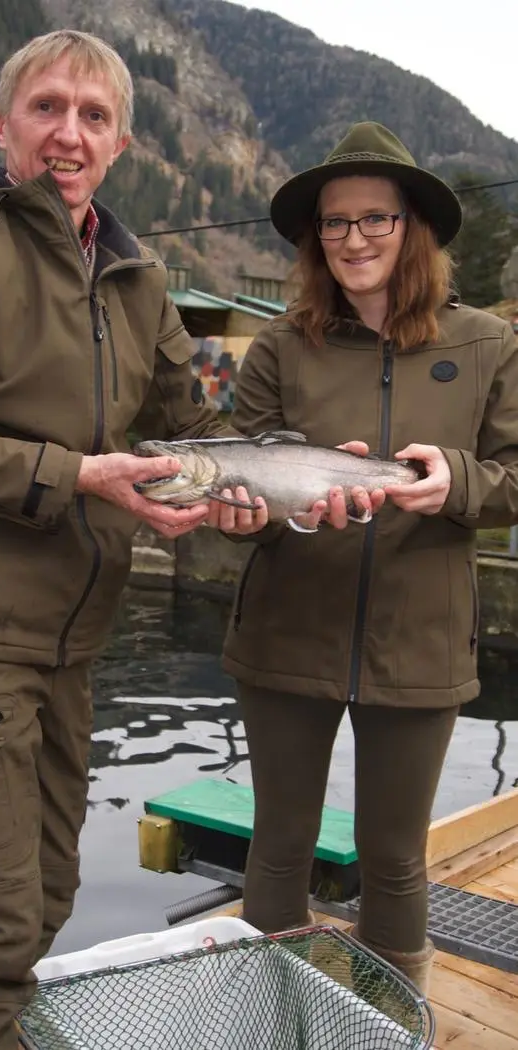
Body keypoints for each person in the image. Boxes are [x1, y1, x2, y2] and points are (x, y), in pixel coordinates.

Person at [0, 29, 281, 1050]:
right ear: (1, 124)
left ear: (121, 145)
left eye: (94, 116)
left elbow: (190, 432)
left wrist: (268, 487)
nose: (69, 132)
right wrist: (80, 476)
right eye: (46, 107)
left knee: (48, 893)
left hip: (71, 643)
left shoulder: (139, 279)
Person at [219, 121, 518, 995]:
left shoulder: (488, 343)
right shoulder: (280, 345)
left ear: (411, 226)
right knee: (279, 845)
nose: (353, 239)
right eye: (334, 222)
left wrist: (456, 482)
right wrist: (245, 518)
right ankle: (270, 1015)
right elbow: (243, 487)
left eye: (374, 219)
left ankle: (390, 1015)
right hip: (285, 633)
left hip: (421, 639)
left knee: (394, 856)